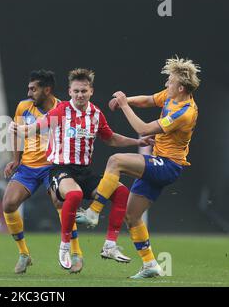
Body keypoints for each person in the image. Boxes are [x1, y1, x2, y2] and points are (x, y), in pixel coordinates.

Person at [11, 68, 153, 271]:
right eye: (76, 91)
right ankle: (64, 246)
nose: (80, 95)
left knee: (121, 192)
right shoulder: (61, 111)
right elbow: (38, 126)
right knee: (75, 194)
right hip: (61, 170)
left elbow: (111, 138)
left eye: (83, 91)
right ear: (69, 91)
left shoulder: (95, 114)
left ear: (91, 91)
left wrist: (137, 140)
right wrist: (22, 129)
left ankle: (110, 245)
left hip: (85, 172)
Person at [79, 56, 200, 279]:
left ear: (181, 87)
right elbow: (148, 100)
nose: (166, 85)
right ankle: (150, 264)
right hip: (159, 161)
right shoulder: (172, 97)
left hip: (168, 165)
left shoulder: (185, 112)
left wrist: (124, 104)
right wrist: (129, 101)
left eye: (170, 82)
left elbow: (144, 129)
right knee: (132, 216)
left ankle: (93, 212)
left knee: (116, 161)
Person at [3, 70, 87, 274]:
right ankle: (24, 254)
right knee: (9, 204)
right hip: (29, 168)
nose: (29, 93)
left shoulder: (64, 109)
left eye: (34, 89)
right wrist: (16, 159)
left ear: (47, 90)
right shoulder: (24, 107)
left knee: (61, 202)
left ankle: (76, 254)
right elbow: (16, 133)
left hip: (53, 166)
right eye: (29, 89)